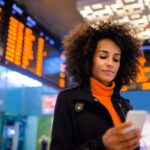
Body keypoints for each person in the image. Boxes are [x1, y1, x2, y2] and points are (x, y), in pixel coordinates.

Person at [50, 20, 143, 150]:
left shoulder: (125, 106)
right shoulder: (68, 100)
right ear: (88, 59)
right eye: (103, 56)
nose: (110, 63)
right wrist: (102, 145)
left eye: (116, 59)